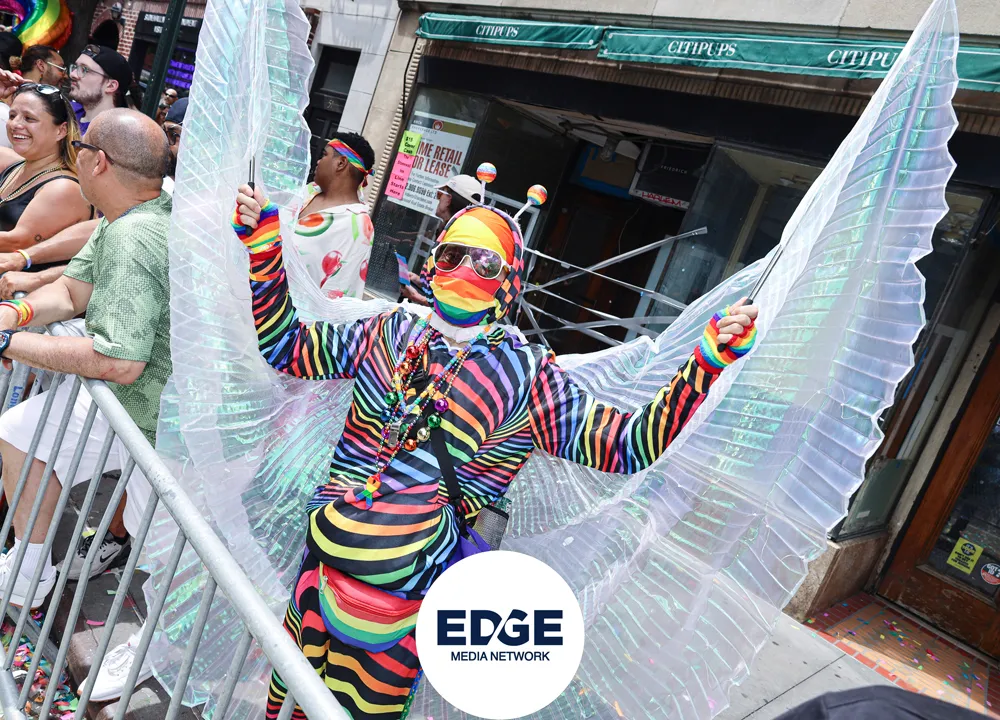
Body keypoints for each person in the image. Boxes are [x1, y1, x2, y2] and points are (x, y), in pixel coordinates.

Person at [233, 168, 758, 719]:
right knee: (286, 706)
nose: (465, 269)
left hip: (400, 611)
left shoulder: (527, 376)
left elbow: (626, 445)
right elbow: (287, 346)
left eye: (486, 263)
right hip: (317, 576)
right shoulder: (386, 332)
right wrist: (265, 245)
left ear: (509, 280)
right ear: (433, 263)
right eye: (452, 254)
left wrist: (704, 365)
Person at [0, 109, 171, 700]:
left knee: (168, 549)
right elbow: (74, 291)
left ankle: (156, 649)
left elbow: (120, 361)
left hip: (168, 421)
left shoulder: (136, 235)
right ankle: (28, 573)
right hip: (127, 405)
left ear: (98, 162)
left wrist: (8, 342)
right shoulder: (123, 217)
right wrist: (16, 314)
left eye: (82, 148)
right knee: (21, 433)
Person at [0, 74, 92, 301]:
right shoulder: (17, 164)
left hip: (23, 308)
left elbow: (16, 241)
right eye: (12, 115)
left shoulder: (63, 188)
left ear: (60, 131)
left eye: (29, 118)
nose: (15, 124)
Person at [290, 132, 375, 299]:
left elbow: (342, 292)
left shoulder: (358, 225)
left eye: (324, 155)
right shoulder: (309, 191)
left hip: (290, 311)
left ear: (341, 163)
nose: (318, 161)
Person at [401, 173, 482, 305]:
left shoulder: (458, 239)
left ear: (448, 200)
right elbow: (442, 282)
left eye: (440, 194)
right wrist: (420, 281)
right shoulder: (457, 232)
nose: (438, 199)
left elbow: (451, 299)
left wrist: (417, 297)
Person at [69, 45, 133, 135]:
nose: (72, 74)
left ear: (111, 86)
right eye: (76, 67)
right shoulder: (66, 111)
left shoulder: (113, 136)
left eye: (84, 69)